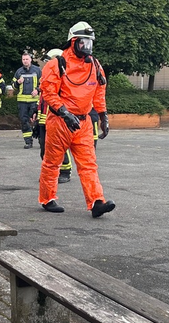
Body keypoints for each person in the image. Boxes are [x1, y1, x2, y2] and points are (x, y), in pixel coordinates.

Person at [38, 22, 113, 216]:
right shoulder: (57, 64)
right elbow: (49, 92)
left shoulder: (94, 65)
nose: (87, 47)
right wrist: (65, 113)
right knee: (52, 163)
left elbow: (99, 91)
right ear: (73, 42)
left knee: (89, 164)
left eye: (89, 43)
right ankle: (47, 198)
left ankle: (97, 202)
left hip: (83, 122)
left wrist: (103, 116)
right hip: (60, 122)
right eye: (83, 43)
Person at [34, 49, 72, 183]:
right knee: (44, 148)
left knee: (60, 147)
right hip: (44, 119)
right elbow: (43, 98)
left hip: (57, 120)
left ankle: (65, 172)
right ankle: (49, 173)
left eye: (49, 62)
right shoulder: (46, 78)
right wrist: (36, 112)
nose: (46, 65)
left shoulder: (63, 80)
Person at [14, 52, 42, 149]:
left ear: (30, 59)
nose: (25, 61)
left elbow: (44, 83)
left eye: (27, 59)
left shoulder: (37, 70)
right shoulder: (19, 72)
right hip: (22, 102)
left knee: (38, 121)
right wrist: (17, 82)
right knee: (24, 121)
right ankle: (28, 142)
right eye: (23, 59)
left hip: (35, 101)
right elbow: (13, 85)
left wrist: (37, 90)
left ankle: (41, 140)